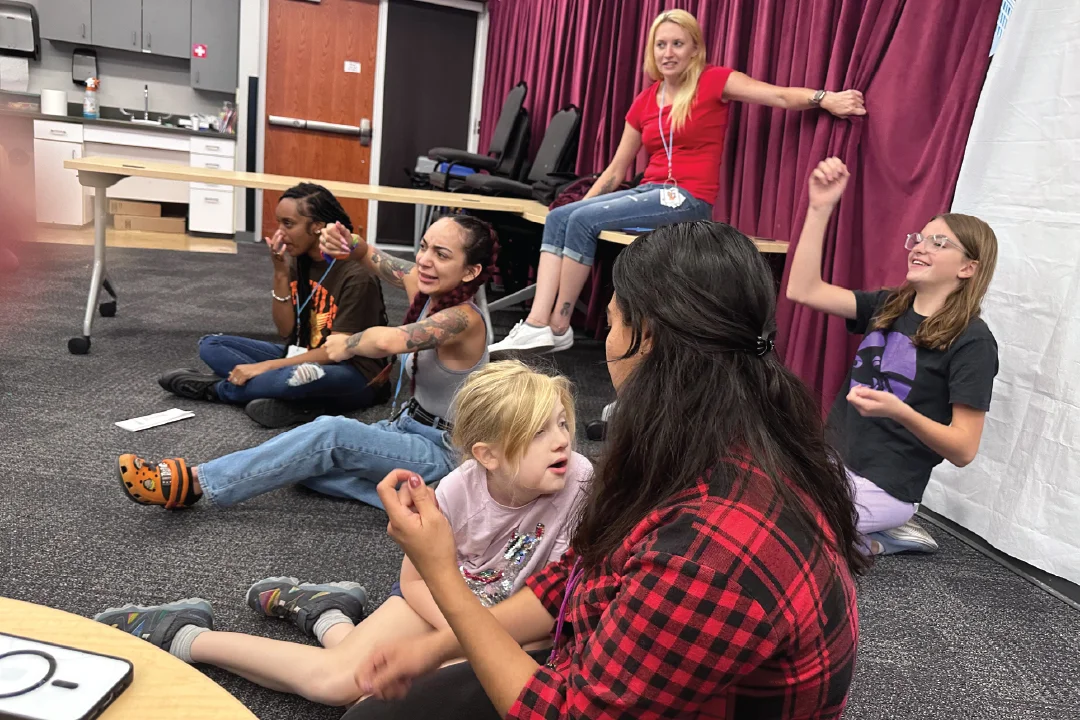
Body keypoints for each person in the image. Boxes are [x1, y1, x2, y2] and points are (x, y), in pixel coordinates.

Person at [344, 221, 866, 720]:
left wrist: (440, 572)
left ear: (648, 337)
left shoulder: (711, 546)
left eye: (613, 322)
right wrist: (440, 646)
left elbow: (569, 713)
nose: (608, 344)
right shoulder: (712, 450)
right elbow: (576, 577)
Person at [95, 361, 592, 708]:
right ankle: (184, 634)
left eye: (562, 423)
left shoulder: (581, 483)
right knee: (338, 683)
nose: (562, 441)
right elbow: (415, 582)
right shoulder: (458, 488)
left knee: (369, 692)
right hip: (437, 601)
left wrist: (465, 638)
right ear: (487, 455)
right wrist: (461, 632)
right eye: (539, 432)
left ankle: (326, 613)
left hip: (509, 622)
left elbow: (558, 602)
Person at [488, 8, 866, 358]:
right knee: (562, 217)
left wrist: (825, 98)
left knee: (582, 220)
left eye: (677, 44)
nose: (668, 52)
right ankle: (537, 324)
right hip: (648, 191)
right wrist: (580, 203)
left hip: (686, 197)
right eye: (661, 45)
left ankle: (557, 325)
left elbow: (778, 95)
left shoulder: (713, 80)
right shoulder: (645, 100)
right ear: (652, 51)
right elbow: (616, 171)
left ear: (694, 49)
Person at [114, 214, 498, 510]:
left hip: (444, 449)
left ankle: (194, 482)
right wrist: (347, 241)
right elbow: (370, 256)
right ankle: (419, 499)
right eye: (424, 247)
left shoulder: (464, 320)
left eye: (441, 254)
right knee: (304, 467)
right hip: (406, 427)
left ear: (471, 271)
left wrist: (348, 343)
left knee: (327, 436)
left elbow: (391, 340)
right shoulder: (426, 286)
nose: (424, 261)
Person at [786, 157, 999, 555]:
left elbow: (964, 449)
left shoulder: (973, 341)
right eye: (920, 239)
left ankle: (875, 532)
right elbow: (803, 289)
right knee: (758, 500)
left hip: (886, 487)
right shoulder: (888, 305)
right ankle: (865, 536)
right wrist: (819, 208)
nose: (920, 247)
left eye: (939, 243)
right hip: (832, 462)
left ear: (968, 268)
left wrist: (899, 411)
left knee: (787, 532)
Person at [158, 183, 391, 429]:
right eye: (279, 223)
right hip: (303, 355)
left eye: (288, 224)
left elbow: (336, 352)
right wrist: (280, 273)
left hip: (353, 372)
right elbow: (286, 331)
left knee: (294, 377)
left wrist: (263, 367)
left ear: (317, 227)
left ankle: (218, 389)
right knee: (211, 345)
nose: (280, 233)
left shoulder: (356, 276)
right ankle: (291, 402)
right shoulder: (300, 261)